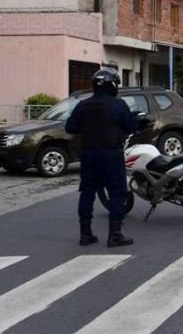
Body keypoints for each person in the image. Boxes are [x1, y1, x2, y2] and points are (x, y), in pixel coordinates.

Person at [66, 68, 137, 247]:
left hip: (89, 154)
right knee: (116, 192)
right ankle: (115, 235)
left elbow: (70, 127)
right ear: (112, 85)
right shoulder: (118, 104)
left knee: (87, 192)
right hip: (111, 154)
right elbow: (131, 126)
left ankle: (85, 234)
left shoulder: (83, 105)